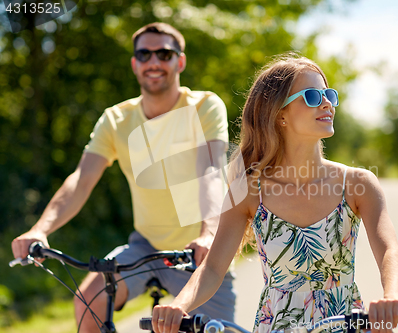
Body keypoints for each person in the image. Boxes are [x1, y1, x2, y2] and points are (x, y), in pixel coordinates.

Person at [151, 54, 398, 333]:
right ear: (279, 114)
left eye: (329, 94)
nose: (327, 103)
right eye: (311, 96)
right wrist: (179, 305)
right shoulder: (248, 192)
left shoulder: (357, 183)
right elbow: (212, 269)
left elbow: (389, 251)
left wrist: (391, 297)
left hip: (345, 325)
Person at [11, 22, 236, 333]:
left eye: (164, 53)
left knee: (213, 328)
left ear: (180, 61)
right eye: (144, 54)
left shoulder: (204, 106)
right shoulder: (116, 119)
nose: (154, 62)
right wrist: (39, 229)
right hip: (144, 247)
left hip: (200, 252)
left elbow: (210, 171)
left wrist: (209, 235)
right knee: (88, 301)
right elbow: (81, 179)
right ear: (134, 64)